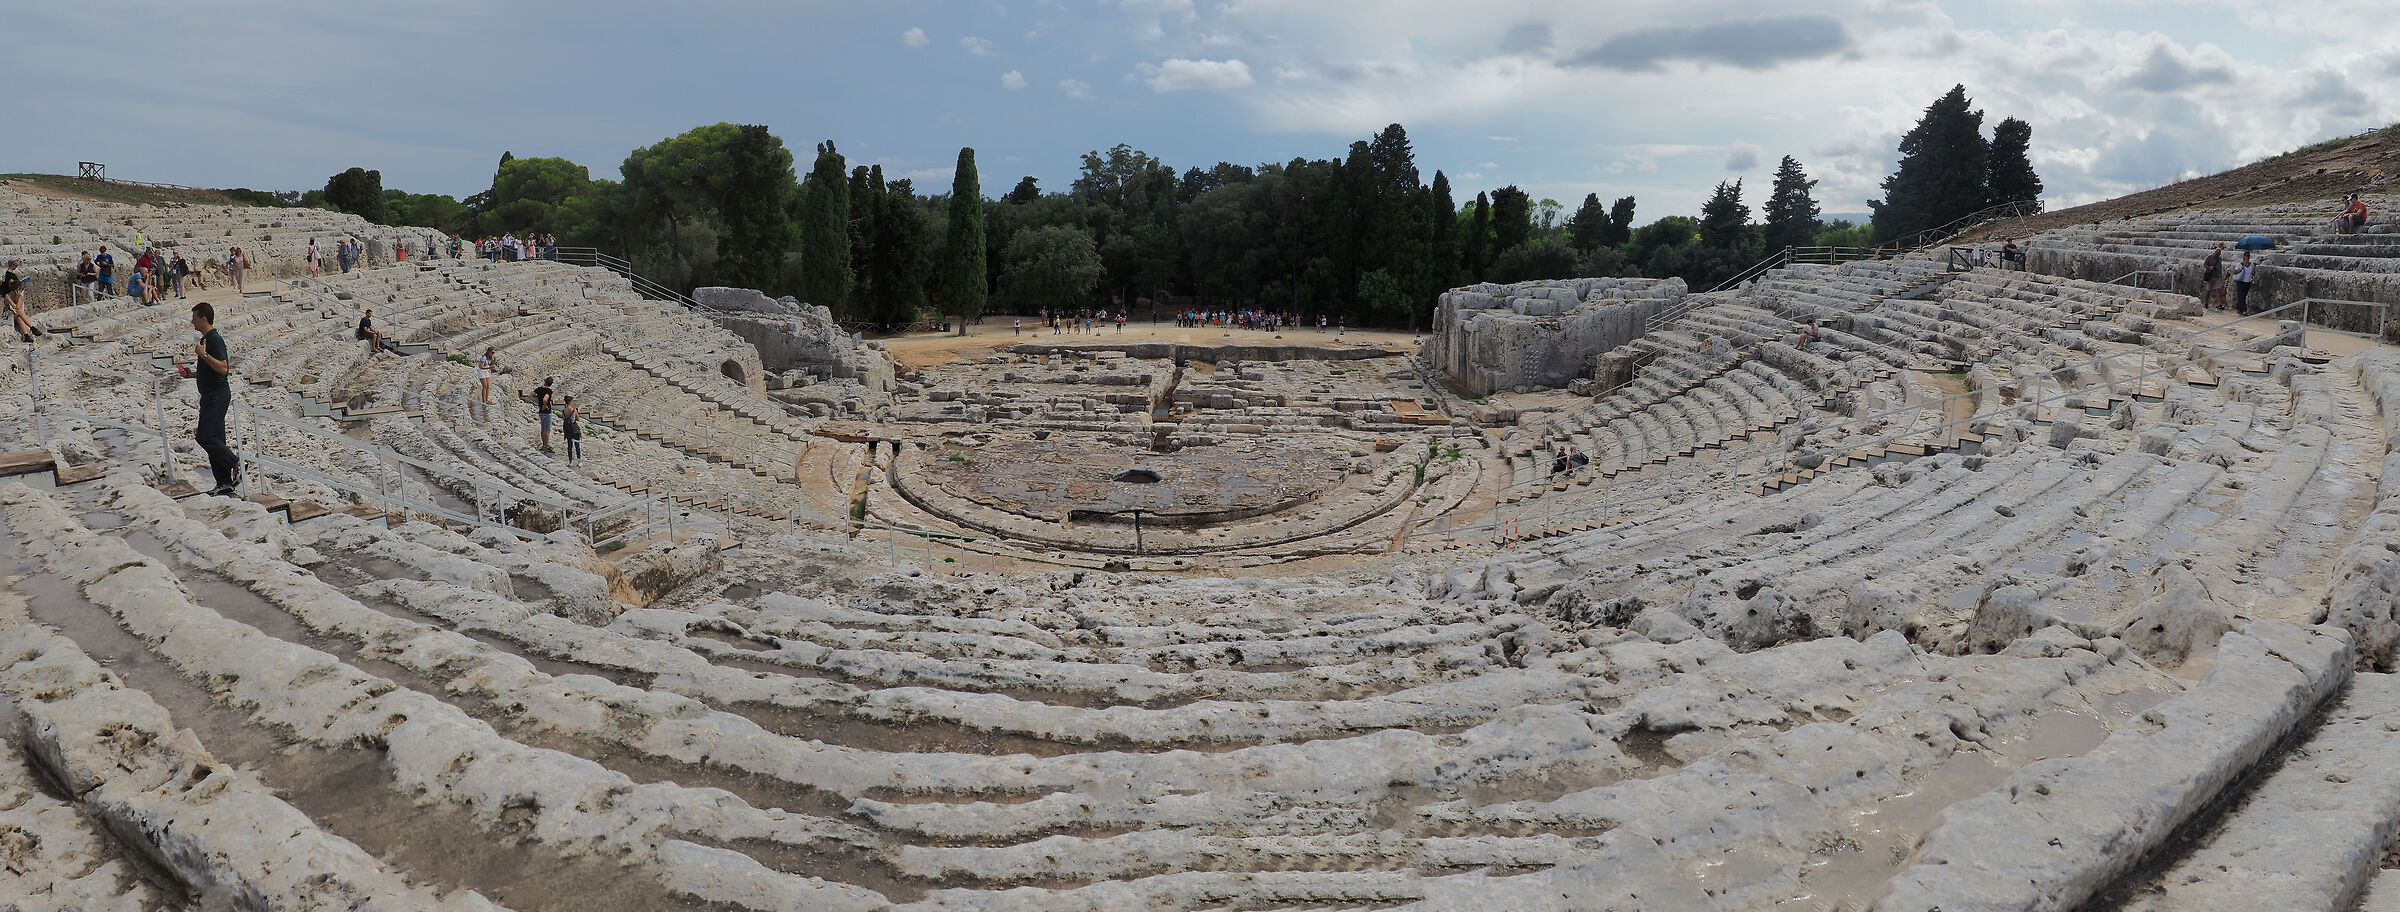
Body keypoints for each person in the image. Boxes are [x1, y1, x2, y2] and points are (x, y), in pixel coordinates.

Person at [190, 302, 241, 496]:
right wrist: (193, 375)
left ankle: (236, 462)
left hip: (217, 396)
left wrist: (203, 354)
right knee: (217, 439)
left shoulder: (214, 339)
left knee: (205, 437)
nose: (191, 321)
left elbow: (223, 368)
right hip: (211, 394)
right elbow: (210, 370)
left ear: (203, 318)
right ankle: (224, 483)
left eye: (194, 317)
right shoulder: (206, 338)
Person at [4, 261, 37, 343]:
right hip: (7, 317)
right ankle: (32, 327)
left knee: (19, 317)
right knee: (19, 313)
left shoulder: (19, 296)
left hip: (15, 315)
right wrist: (19, 297)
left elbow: (18, 309)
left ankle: (26, 335)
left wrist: (20, 297)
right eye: (20, 290)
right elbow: (16, 308)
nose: (21, 292)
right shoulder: (8, 296)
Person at [2201, 244, 2227, 311]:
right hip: (2211, 276)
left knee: (2218, 289)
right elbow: (2205, 265)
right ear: (2215, 252)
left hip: (2217, 276)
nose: (2218, 255)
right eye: (2217, 253)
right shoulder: (2209, 257)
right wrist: (2210, 268)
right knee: (2208, 290)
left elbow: (2220, 267)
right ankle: (2206, 303)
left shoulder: (2219, 259)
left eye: (2219, 254)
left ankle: (2219, 304)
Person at [534, 376, 555, 452]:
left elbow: (530, 395)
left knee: (543, 429)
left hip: (541, 412)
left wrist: (537, 402)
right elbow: (545, 399)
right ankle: (546, 446)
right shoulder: (549, 391)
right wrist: (544, 405)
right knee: (547, 430)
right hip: (546, 412)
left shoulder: (539, 389)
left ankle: (544, 445)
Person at [560, 396, 582, 463]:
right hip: (574, 429)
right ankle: (579, 461)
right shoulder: (574, 410)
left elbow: (564, 419)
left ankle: (570, 461)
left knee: (569, 445)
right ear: (570, 402)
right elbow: (578, 419)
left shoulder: (563, 411)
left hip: (567, 429)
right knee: (577, 445)